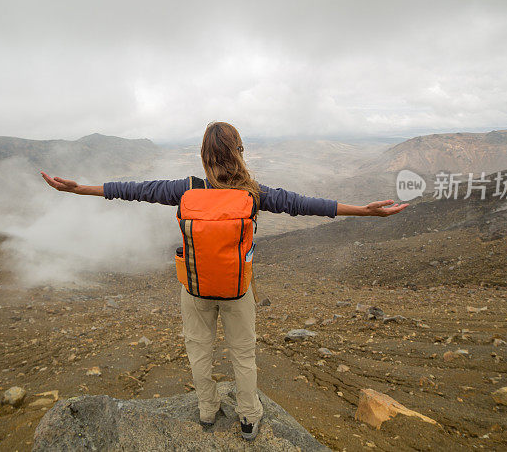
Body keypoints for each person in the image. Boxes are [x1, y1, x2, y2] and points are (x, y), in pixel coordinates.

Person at [41, 121, 408, 441]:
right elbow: (305, 203)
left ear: (203, 154)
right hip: (237, 289)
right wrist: (363, 211)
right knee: (243, 354)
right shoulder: (253, 193)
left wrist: (81, 189)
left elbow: (136, 189)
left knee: (199, 349)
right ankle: (249, 418)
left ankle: (206, 411)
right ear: (239, 152)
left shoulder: (186, 188)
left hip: (195, 287)